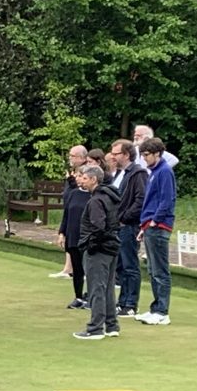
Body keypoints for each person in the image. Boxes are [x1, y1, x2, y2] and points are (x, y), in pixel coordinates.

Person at [74, 166, 122, 340]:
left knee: (96, 288)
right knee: (107, 287)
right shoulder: (110, 197)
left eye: (85, 178)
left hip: (99, 249)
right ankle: (111, 325)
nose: (82, 181)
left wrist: (91, 245)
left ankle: (95, 328)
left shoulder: (96, 201)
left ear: (94, 179)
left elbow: (98, 227)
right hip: (111, 247)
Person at [136, 138, 177, 325]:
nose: (144, 159)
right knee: (153, 270)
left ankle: (162, 312)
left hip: (159, 226)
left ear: (157, 154)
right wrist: (145, 227)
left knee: (160, 270)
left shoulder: (164, 171)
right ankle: (156, 308)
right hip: (150, 226)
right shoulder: (154, 172)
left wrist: (154, 222)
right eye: (142, 155)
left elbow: (166, 200)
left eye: (146, 155)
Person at [110, 139, 148, 316]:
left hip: (129, 226)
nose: (112, 156)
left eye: (116, 153)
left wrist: (124, 218)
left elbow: (140, 200)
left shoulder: (138, 173)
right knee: (121, 265)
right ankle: (122, 301)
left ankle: (131, 303)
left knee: (130, 265)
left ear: (126, 155)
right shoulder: (120, 173)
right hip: (118, 226)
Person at [58, 150, 92, 309]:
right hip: (72, 235)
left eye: (82, 177)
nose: (79, 180)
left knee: (89, 268)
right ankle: (78, 297)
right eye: (78, 177)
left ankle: (91, 298)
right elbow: (67, 213)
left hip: (87, 237)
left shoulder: (94, 196)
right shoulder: (73, 193)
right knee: (77, 270)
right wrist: (61, 232)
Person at [50, 146, 89, 279]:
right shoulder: (73, 171)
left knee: (76, 240)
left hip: (80, 211)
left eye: (73, 156)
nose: (70, 159)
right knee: (69, 239)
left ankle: (78, 270)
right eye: (70, 156)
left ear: (82, 158)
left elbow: (81, 190)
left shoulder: (86, 171)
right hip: (70, 208)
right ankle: (68, 268)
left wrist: (73, 182)